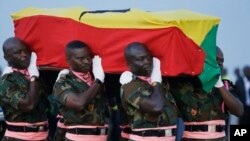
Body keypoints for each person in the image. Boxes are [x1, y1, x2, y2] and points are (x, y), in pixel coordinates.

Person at [168, 46, 243, 140]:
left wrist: (220, 86)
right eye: (216, 60)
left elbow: (239, 111)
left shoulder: (225, 86)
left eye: (222, 61)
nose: (220, 64)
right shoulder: (185, 84)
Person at [119, 42, 178, 141]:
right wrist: (156, 82)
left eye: (148, 57)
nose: (147, 62)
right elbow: (156, 106)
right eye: (141, 59)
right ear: (129, 65)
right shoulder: (129, 86)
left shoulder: (162, 82)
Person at [52, 40, 108, 141]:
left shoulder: (95, 75)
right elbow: (79, 103)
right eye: (80, 59)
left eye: (88, 57)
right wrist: (98, 81)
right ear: (68, 60)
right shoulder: (63, 82)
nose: (86, 62)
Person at [0, 37, 49, 140]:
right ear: (7, 58)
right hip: (19, 138)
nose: (25, 55)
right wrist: (33, 77)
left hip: (43, 136)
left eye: (26, 51)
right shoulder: (6, 82)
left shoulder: (35, 74)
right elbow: (28, 105)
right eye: (18, 53)